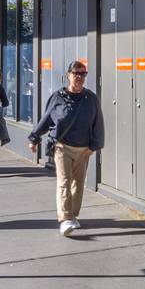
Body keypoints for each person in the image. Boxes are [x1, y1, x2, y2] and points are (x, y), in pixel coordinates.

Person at [28, 61, 104, 237]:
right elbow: (46, 119)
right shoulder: (58, 97)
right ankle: (65, 219)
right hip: (62, 146)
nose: (79, 77)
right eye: (76, 73)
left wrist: (94, 146)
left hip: (83, 149)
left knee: (78, 184)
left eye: (82, 74)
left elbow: (98, 122)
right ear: (68, 75)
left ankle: (73, 215)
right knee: (64, 182)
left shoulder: (91, 98)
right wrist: (34, 138)